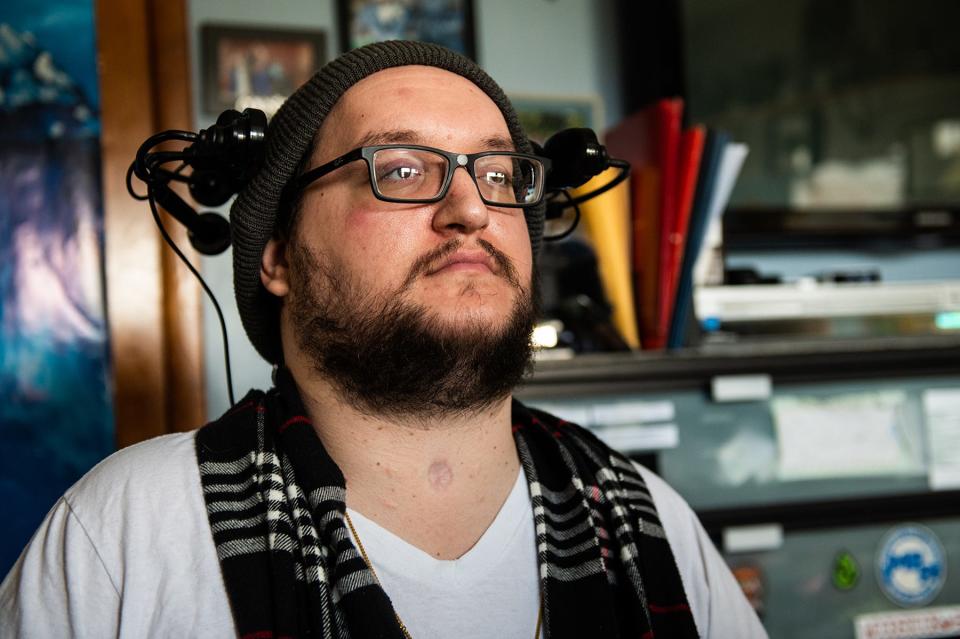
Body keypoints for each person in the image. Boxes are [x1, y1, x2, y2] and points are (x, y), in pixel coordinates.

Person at [0, 40, 767, 638]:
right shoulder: (123, 537)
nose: (470, 209)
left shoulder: (648, 523)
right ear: (279, 254)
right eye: (400, 168)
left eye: (501, 175)